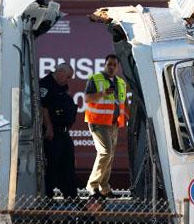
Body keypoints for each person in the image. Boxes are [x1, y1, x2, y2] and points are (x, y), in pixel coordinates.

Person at [84, 54, 128, 199]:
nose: (111, 67)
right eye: (109, 64)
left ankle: (104, 188)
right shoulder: (95, 79)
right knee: (105, 152)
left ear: (118, 67)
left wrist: (126, 117)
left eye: (114, 65)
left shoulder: (120, 82)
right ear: (104, 65)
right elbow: (87, 98)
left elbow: (123, 103)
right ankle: (92, 185)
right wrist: (102, 93)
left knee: (110, 156)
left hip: (113, 123)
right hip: (98, 122)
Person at [40, 63, 78, 198]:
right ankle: (48, 198)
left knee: (68, 164)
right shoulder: (46, 84)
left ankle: (71, 196)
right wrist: (49, 128)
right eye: (67, 77)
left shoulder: (62, 86)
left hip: (63, 132)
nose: (68, 80)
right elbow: (43, 108)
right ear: (60, 72)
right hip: (52, 133)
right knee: (51, 166)